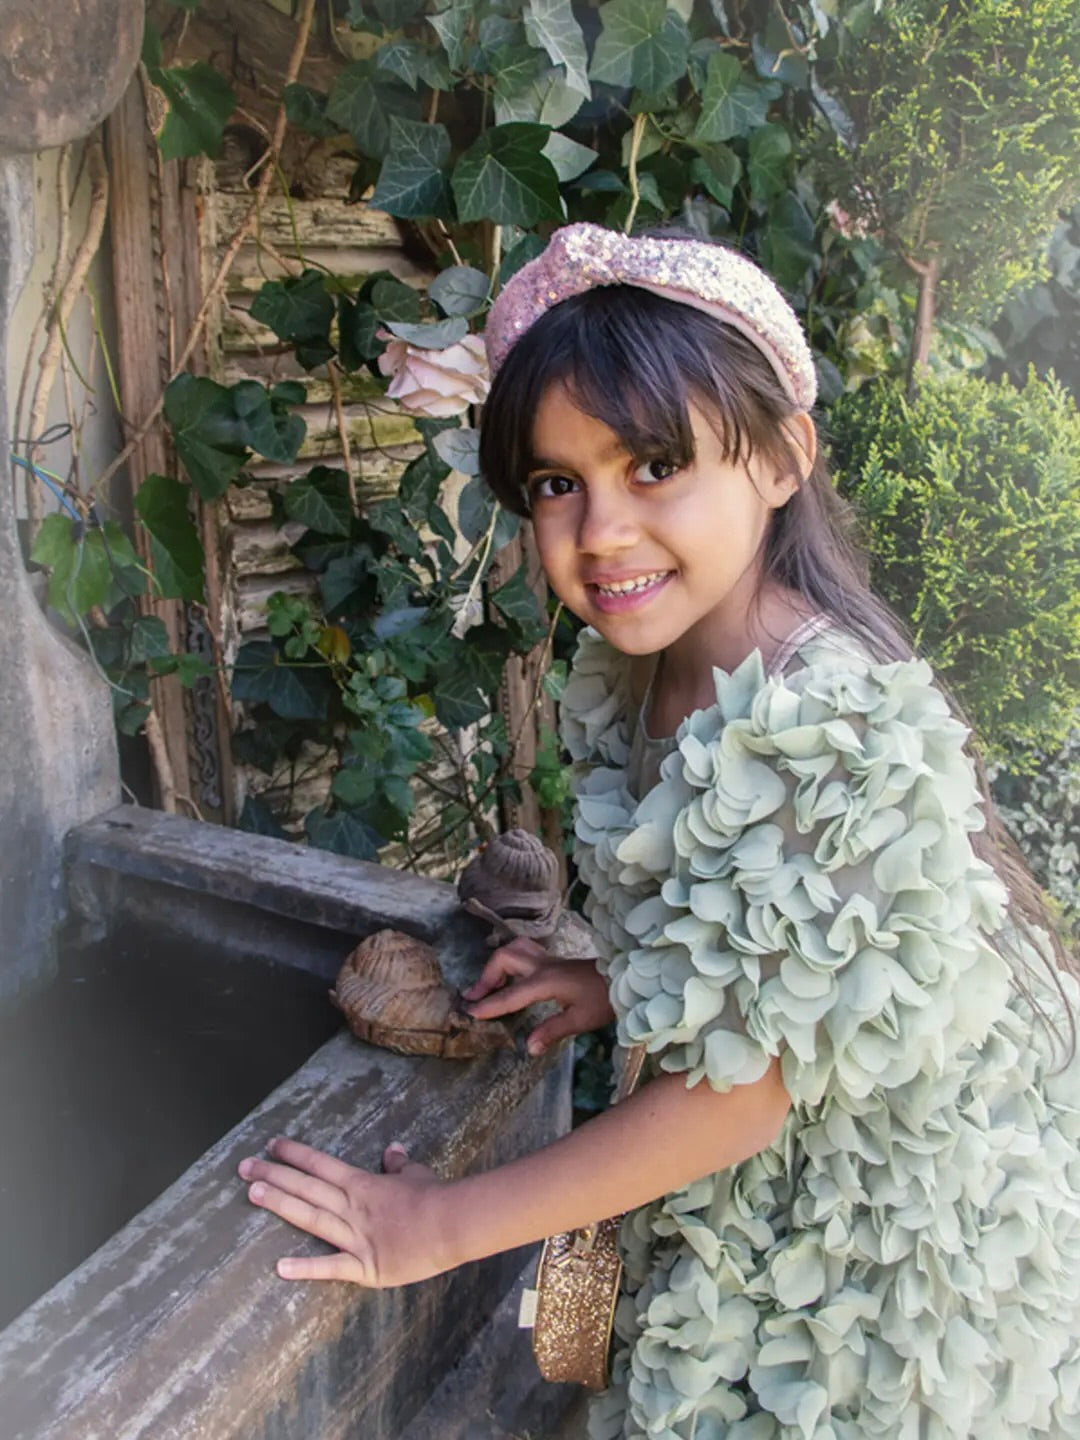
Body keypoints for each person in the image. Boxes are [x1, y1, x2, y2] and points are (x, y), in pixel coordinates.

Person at [237, 223, 1080, 1438]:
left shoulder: (817, 729)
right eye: (556, 483)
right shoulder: (657, 668)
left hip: (856, 1275)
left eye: (654, 466)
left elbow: (736, 1098)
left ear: (784, 460)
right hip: (756, 1181)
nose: (603, 532)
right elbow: (750, 963)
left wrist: (438, 1227)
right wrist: (617, 979)